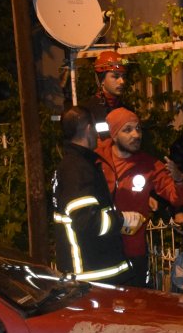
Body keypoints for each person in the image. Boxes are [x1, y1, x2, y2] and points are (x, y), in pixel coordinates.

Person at [98, 107, 183, 287]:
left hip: (134, 251)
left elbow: (176, 197)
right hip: (102, 249)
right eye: (127, 130)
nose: (136, 134)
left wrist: (179, 178)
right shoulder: (97, 160)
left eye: (138, 128)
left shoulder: (149, 165)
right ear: (114, 135)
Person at [50, 106, 137, 285]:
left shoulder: (72, 165)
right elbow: (86, 221)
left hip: (92, 273)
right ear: (89, 128)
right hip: (93, 275)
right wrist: (122, 220)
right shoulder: (78, 168)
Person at [83, 50, 130, 137]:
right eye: (115, 76)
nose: (122, 81)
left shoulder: (126, 109)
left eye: (123, 76)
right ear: (102, 80)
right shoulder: (88, 111)